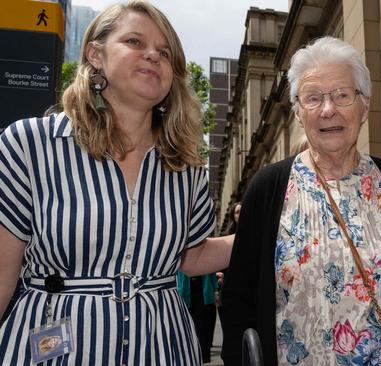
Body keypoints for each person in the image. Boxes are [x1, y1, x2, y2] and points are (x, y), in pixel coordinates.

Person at [0, 2, 232, 364]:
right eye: (135, 41)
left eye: (165, 52)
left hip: (163, 348)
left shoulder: (185, 165)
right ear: (95, 54)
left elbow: (192, 256)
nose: (153, 55)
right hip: (54, 351)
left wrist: (272, 228)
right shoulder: (30, 144)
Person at [220, 36, 381, 365]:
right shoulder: (267, 188)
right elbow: (239, 301)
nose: (328, 109)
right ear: (297, 113)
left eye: (342, 95)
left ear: (364, 106)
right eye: (313, 98)